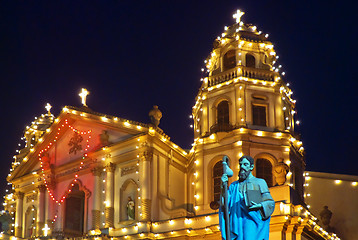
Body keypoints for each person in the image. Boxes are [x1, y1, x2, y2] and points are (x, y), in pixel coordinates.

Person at [219, 155, 275, 240]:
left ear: (251, 167)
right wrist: (223, 186)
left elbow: (270, 202)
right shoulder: (234, 186)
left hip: (252, 220)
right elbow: (225, 203)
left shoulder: (259, 182)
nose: (242, 167)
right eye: (240, 164)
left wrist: (259, 206)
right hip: (236, 221)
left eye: (245, 164)